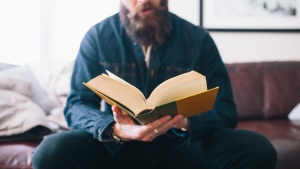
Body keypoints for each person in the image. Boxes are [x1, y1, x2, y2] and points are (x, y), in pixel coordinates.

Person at [32, 0, 277, 168]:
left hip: (180, 144)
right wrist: (115, 130)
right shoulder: (97, 37)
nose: (143, 0)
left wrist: (185, 121)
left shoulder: (198, 39)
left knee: (257, 149)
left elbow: (226, 109)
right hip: (118, 146)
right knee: (50, 151)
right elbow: (76, 105)